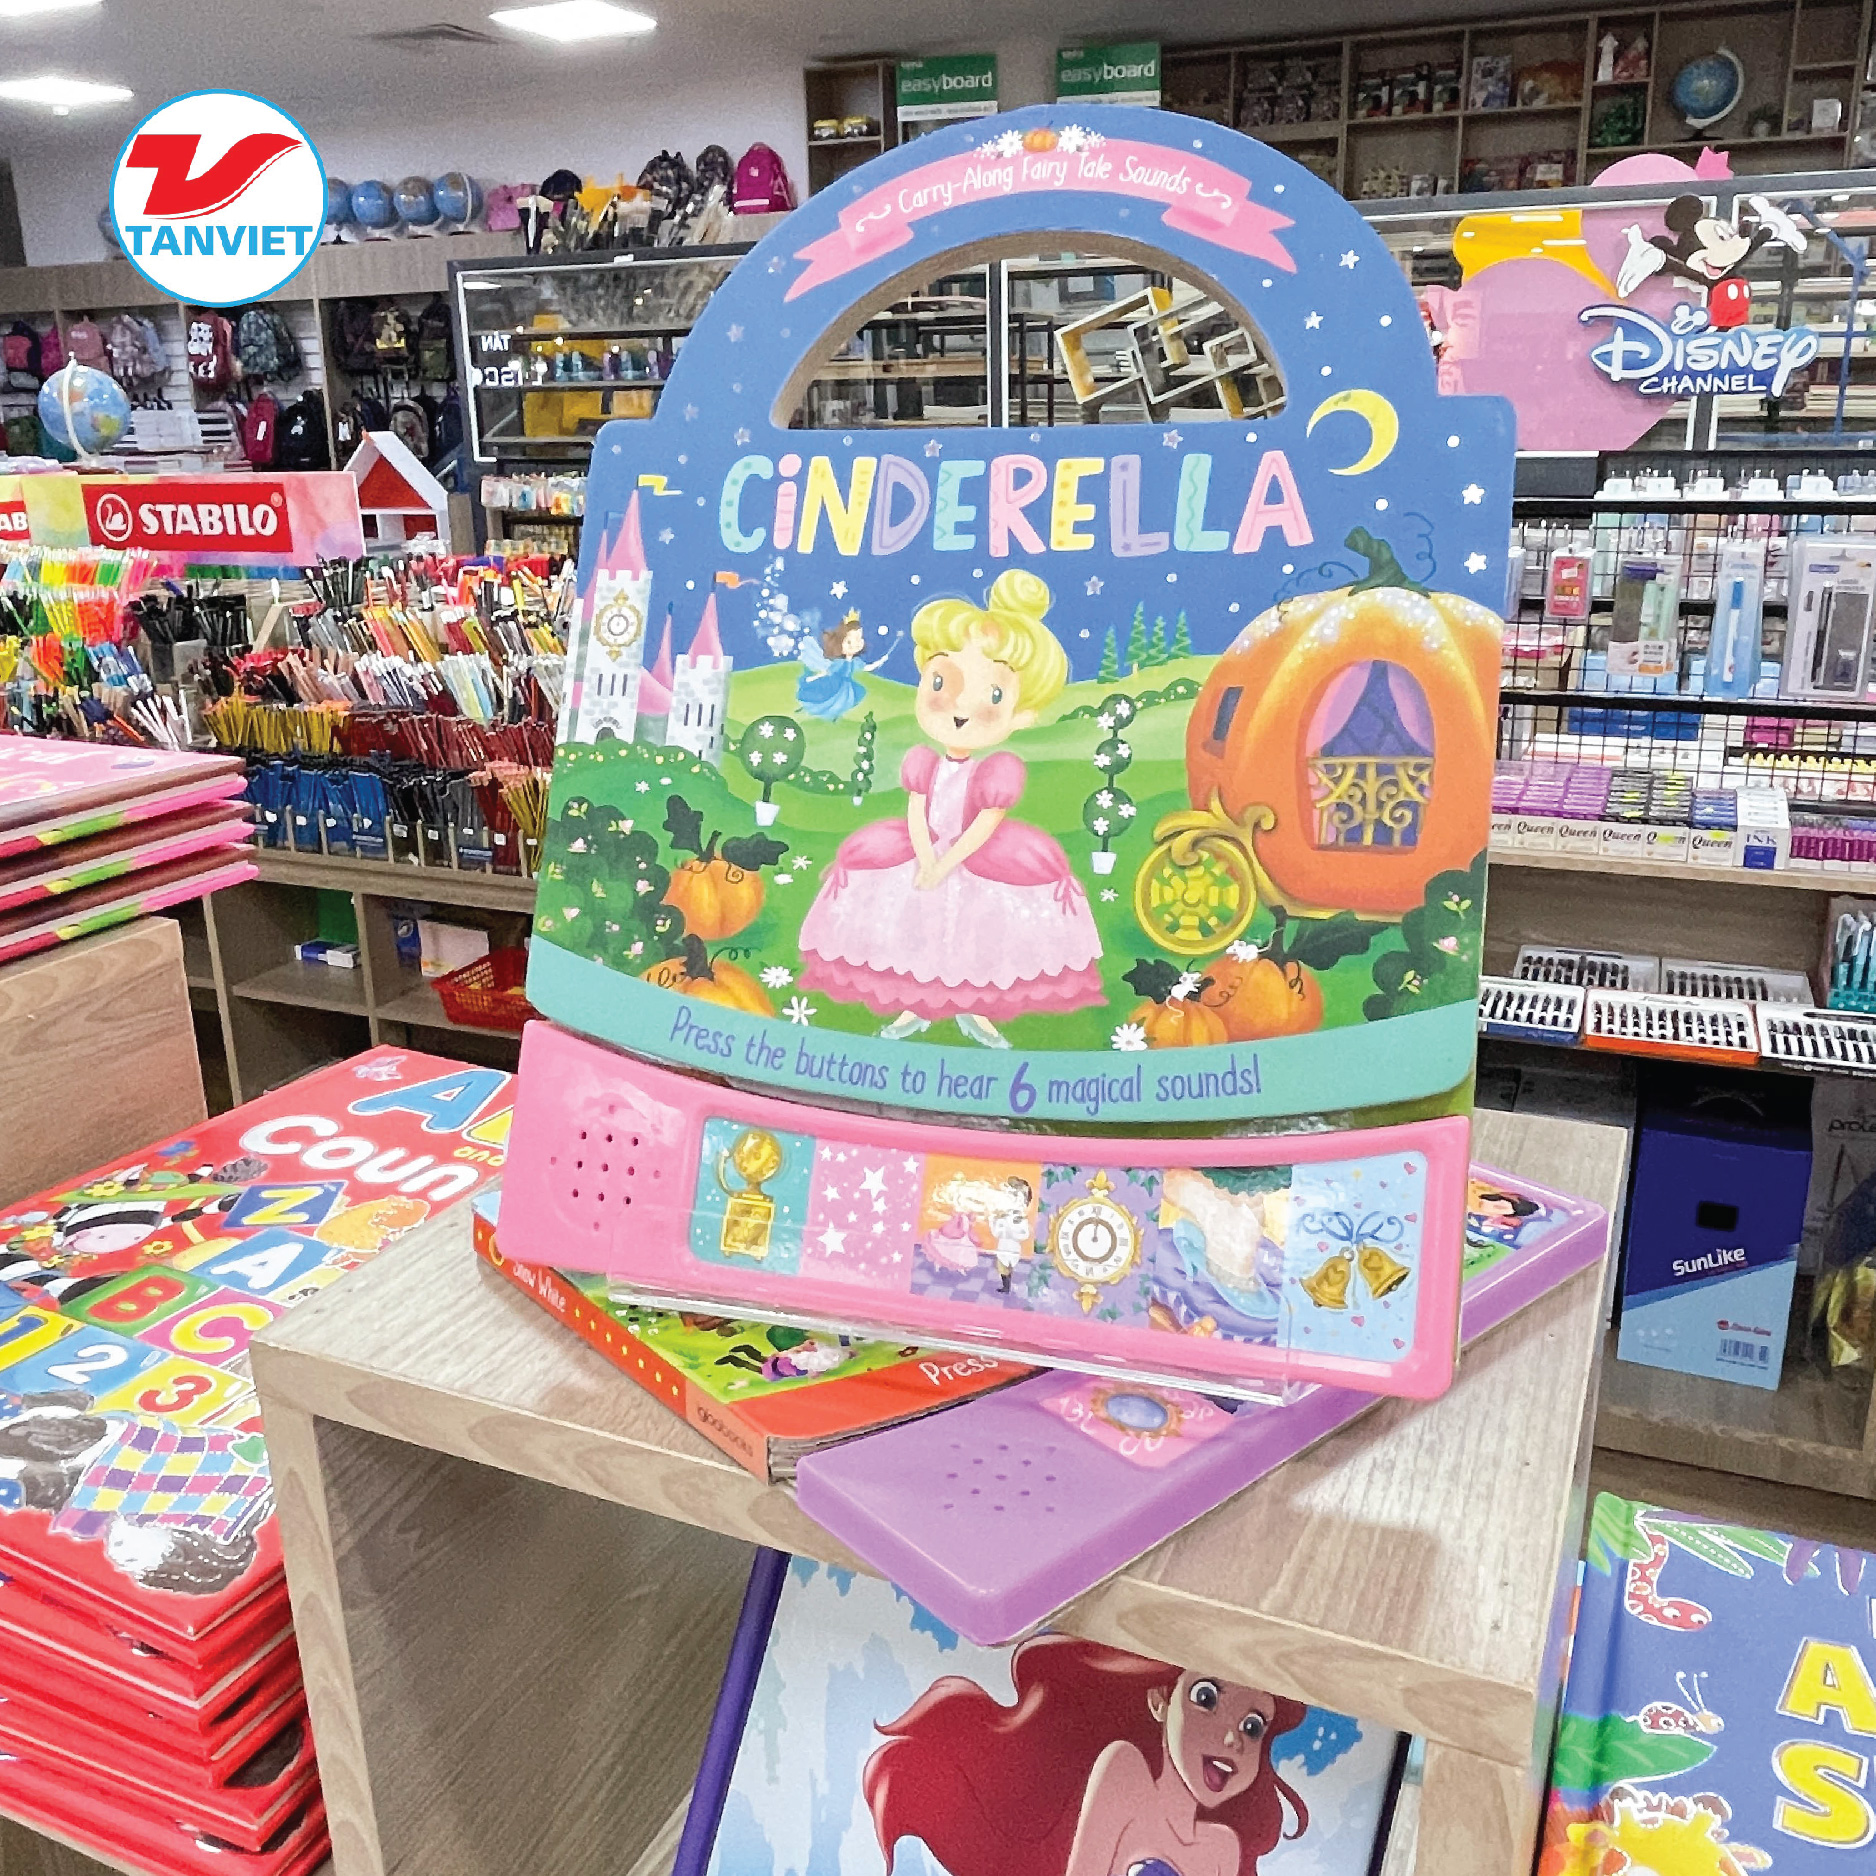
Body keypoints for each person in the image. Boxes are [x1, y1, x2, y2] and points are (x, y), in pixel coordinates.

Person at [798, 571, 1102, 1048]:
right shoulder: (924, 761)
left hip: (970, 859)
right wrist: (926, 860)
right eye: (942, 682)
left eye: (993, 695)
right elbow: (916, 811)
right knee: (917, 933)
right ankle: (916, 1007)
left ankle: (973, 1011)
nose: (960, 708)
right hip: (924, 855)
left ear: (1022, 715)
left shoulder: (996, 771)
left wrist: (945, 865)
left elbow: (985, 825)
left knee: (970, 940)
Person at [865, 1634, 1309, 1876]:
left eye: (1253, 1726)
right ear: (1160, 1701)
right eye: (1206, 1698)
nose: (1232, 1737)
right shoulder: (1125, 1773)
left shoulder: (1221, 1849)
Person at [795, 611, 895, 721]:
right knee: (825, 698)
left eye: (859, 640)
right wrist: (814, 677)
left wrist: (880, 661)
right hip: (833, 683)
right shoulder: (839, 663)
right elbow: (828, 672)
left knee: (843, 701)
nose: (855, 645)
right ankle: (811, 709)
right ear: (839, 643)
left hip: (845, 686)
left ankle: (835, 715)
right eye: (849, 642)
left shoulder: (856, 662)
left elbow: (867, 668)